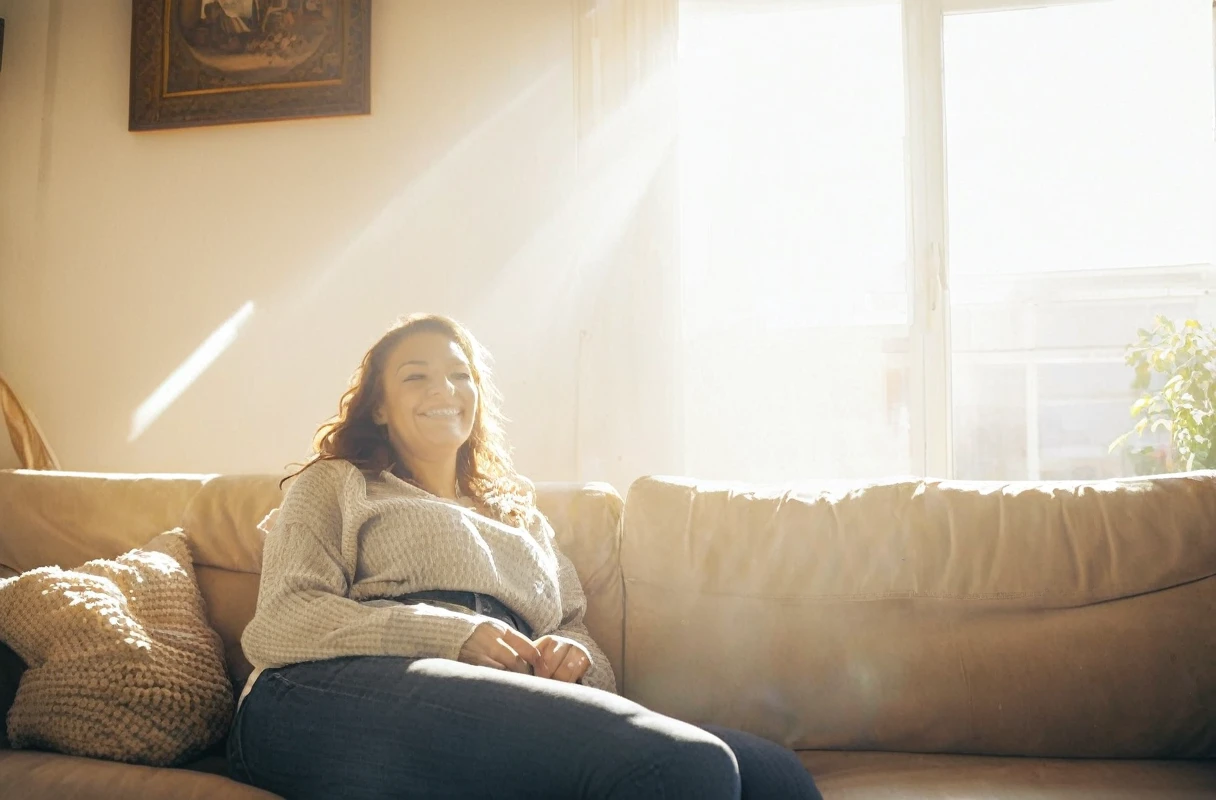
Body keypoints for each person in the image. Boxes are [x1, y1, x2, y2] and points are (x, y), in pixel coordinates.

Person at [227, 313, 822, 800]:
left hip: (502, 694)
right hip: (325, 697)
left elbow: (576, 633)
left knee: (775, 777)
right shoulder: (337, 484)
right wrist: (451, 634)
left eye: (461, 376)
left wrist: (574, 660)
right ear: (378, 407)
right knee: (686, 767)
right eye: (416, 377)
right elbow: (281, 623)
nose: (444, 391)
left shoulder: (520, 515)